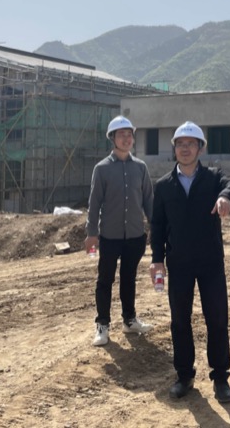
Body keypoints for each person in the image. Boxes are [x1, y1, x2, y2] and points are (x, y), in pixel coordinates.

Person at [149, 121, 230, 404]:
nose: (185, 148)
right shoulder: (163, 186)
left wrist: (225, 197)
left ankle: (221, 377)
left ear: (201, 148)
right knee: (180, 321)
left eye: (190, 144)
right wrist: (157, 260)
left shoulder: (213, 178)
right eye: (180, 144)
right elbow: (158, 226)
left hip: (210, 262)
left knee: (217, 319)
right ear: (174, 149)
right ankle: (184, 375)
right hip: (179, 263)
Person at [86, 115, 154, 347]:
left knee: (129, 279)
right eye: (121, 135)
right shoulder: (102, 169)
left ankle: (129, 320)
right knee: (105, 280)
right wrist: (91, 233)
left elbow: (148, 200)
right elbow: (94, 203)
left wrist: (155, 227)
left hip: (135, 235)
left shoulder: (140, 168)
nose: (126, 139)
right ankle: (102, 325)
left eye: (129, 135)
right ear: (112, 138)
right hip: (109, 236)